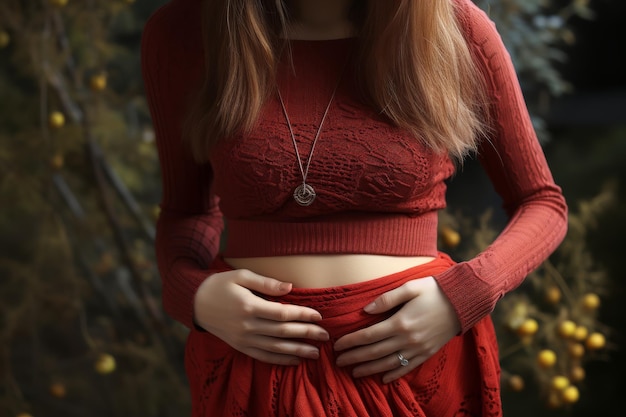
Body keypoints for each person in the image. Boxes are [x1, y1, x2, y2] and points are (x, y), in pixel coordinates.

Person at [141, 0, 568, 415]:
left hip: (414, 366)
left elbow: (542, 202)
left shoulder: (453, 25)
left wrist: (465, 295)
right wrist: (193, 296)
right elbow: (187, 212)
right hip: (252, 367)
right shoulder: (185, 31)